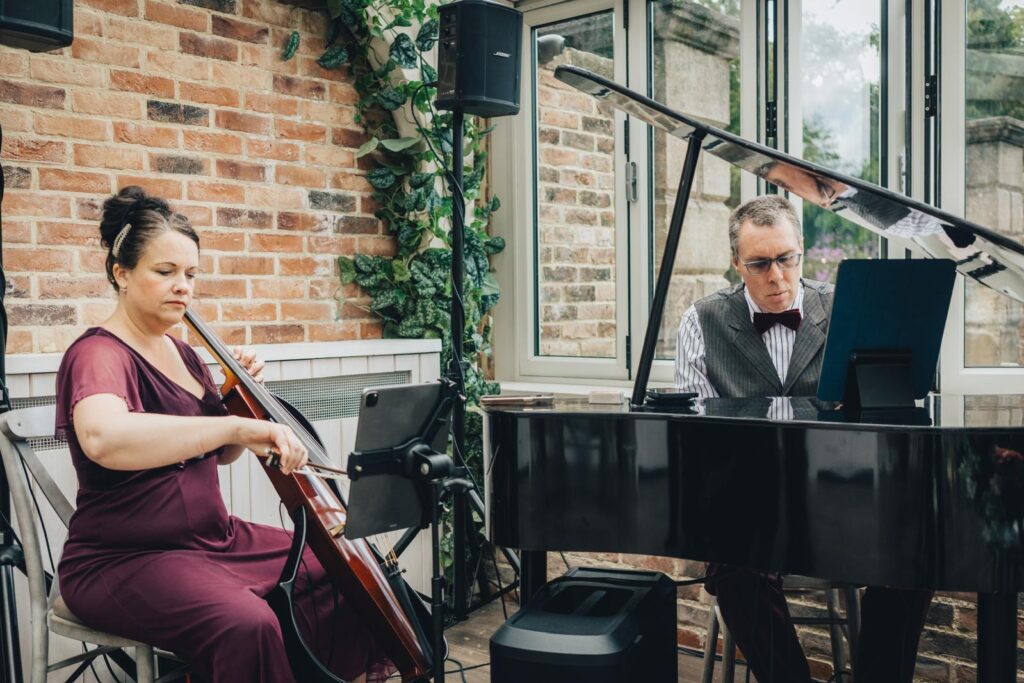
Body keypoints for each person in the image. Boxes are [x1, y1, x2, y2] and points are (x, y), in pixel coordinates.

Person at [54, 186, 393, 683]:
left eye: (190, 274)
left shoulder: (186, 353)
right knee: (245, 624)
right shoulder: (98, 354)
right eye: (164, 272)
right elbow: (105, 439)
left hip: (213, 540)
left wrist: (241, 398)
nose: (182, 287)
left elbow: (223, 453)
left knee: (338, 568)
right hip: (124, 556)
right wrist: (231, 423)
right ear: (121, 273)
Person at [674, 195, 932, 683]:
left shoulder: (846, 311)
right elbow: (697, 441)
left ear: (802, 251)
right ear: (736, 264)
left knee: (915, 555)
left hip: (841, 505)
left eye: (786, 259)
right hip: (748, 510)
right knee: (733, 567)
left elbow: (884, 413)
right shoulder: (701, 322)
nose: (776, 276)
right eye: (759, 263)